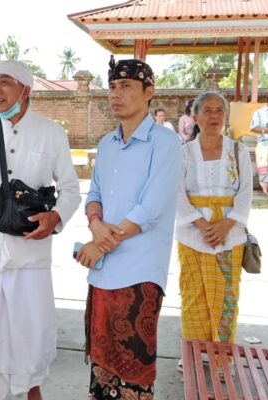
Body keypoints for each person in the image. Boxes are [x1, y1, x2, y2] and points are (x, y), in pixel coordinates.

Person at [0, 60, 81, 400]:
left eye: (5, 82)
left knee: (29, 339)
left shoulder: (51, 132)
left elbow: (70, 190)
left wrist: (55, 218)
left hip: (29, 253)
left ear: (26, 90)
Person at [76, 56, 180, 399]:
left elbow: (149, 210)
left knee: (132, 367)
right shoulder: (107, 144)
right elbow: (94, 194)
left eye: (126, 86)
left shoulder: (165, 143)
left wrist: (101, 243)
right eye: (112, 87)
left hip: (139, 272)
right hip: (103, 271)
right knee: (102, 365)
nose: (115, 94)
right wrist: (94, 223)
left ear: (148, 92)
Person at [175, 92, 252, 374]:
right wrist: (201, 224)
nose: (214, 116)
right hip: (192, 235)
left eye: (220, 110)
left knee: (227, 297)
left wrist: (227, 224)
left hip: (230, 235)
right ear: (194, 116)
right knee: (193, 295)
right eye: (207, 110)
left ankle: (222, 357)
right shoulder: (182, 152)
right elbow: (176, 192)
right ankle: (194, 353)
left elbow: (245, 192)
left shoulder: (238, 151)